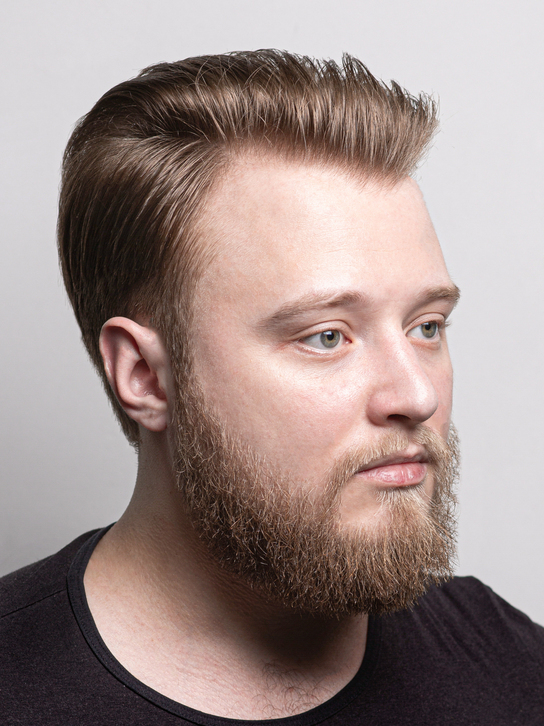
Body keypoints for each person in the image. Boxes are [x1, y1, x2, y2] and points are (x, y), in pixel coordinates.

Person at [1, 50, 543, 725]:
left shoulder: (510, 667)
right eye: (326, 336)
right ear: (145, 376)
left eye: (426, 326)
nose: (416, 396)